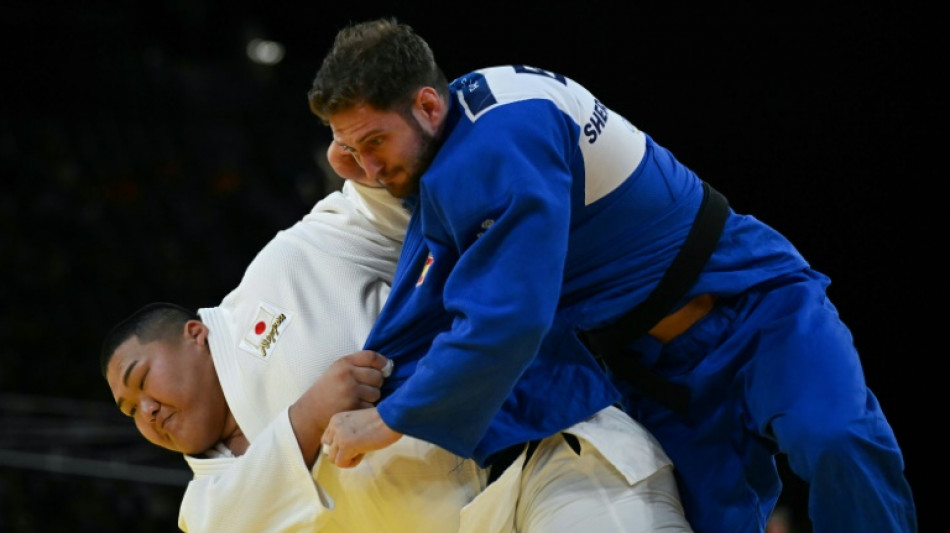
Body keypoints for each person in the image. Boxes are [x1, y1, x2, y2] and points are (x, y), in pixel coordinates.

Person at [308, 17, 918, 533]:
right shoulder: (473, 111)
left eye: (373, 143)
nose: (367, 164)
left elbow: (509, 320)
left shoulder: (497, 147)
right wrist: (364, 163)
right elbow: (430, 275)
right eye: (350, 151)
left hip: (757, 309)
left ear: (427, 104)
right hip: (656, 374)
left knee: (836, 438)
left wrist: (391, 417)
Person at [101, 180, 693, 532]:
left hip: (551, 459)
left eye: (141, 380)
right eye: (130, 411)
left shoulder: (288, 263)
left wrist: (367, 138)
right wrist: (308, 417)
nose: (145, 411)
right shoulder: (207, 503)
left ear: (195, 334)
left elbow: (393, 191)